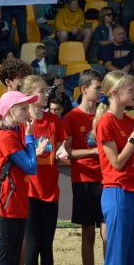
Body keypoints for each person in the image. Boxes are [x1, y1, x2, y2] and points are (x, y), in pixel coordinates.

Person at [0, 91, 40, 264]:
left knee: (14, 256)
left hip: (15, 201)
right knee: (4, 257)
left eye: (27, 108)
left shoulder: (13, 133)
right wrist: (30, 136)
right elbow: (31, 167)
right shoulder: (5, 136)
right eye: (23, 109)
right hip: (6, 203)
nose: (28, 112)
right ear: (9, 111)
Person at [19, 75, 67, 265]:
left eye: (46, 90)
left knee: (47, 245)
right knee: (32, 245)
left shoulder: (54, 120)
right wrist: (33, 151)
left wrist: (61, 152)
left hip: (50, 189)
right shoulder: (22, 123)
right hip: (29, 190)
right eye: (41, 91)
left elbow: (61, 146)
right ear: (29, 96)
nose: (46, 94)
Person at [63, 69, 106, 265]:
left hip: (107, 178)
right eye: (97, 88)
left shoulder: (105, 114)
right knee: (88, 230)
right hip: (83, 179)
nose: (100, 92)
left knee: (107, 231)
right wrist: (94, 152)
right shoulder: (72, 117)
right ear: (84, 89)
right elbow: (68, 152)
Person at [91, 71, 134, 264]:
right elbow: (116, 163)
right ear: (115, 93)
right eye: (131, 89)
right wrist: (132, 140)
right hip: (118, 191)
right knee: (117, 254)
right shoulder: (106, 122)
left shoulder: (129, 121)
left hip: (130, 190)